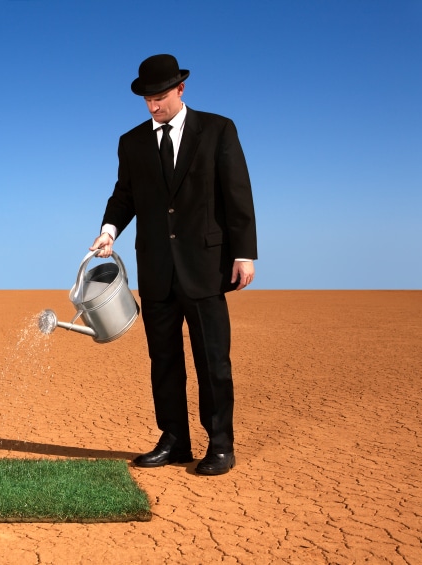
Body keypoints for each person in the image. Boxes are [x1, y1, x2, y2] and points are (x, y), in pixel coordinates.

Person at [90, 54, 257, 475]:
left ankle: (220, 446)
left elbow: (237, 193)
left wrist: (244, 253)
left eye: (160, 96)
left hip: (205, 266)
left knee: (212, 360)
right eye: (147, 99)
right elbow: (124, 195)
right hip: (157, 271)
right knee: (163, 360)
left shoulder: (218, 129)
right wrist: (109, 231)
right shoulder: (131, 143)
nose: (153, 106)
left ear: (181, 89)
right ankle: (175, 441)